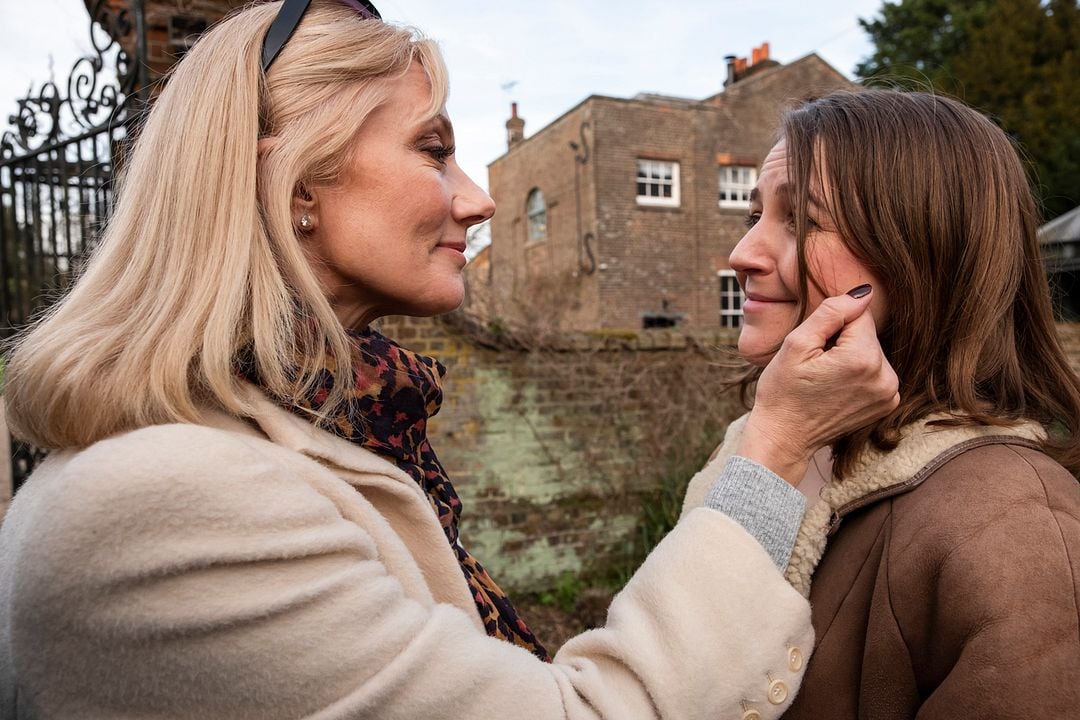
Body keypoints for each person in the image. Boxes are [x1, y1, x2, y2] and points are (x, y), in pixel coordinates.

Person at [0, 3, 898, 719]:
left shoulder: (336, 426)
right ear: (295, 182)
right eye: (433, 149)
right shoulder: (163, 506)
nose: (478, 199)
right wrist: (776, 444)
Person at [684, 88, 1080, 717]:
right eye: (753, 216)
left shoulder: (1016, 522)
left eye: (800, 221)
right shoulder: (770, 449)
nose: (742, 254)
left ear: (924, 251)